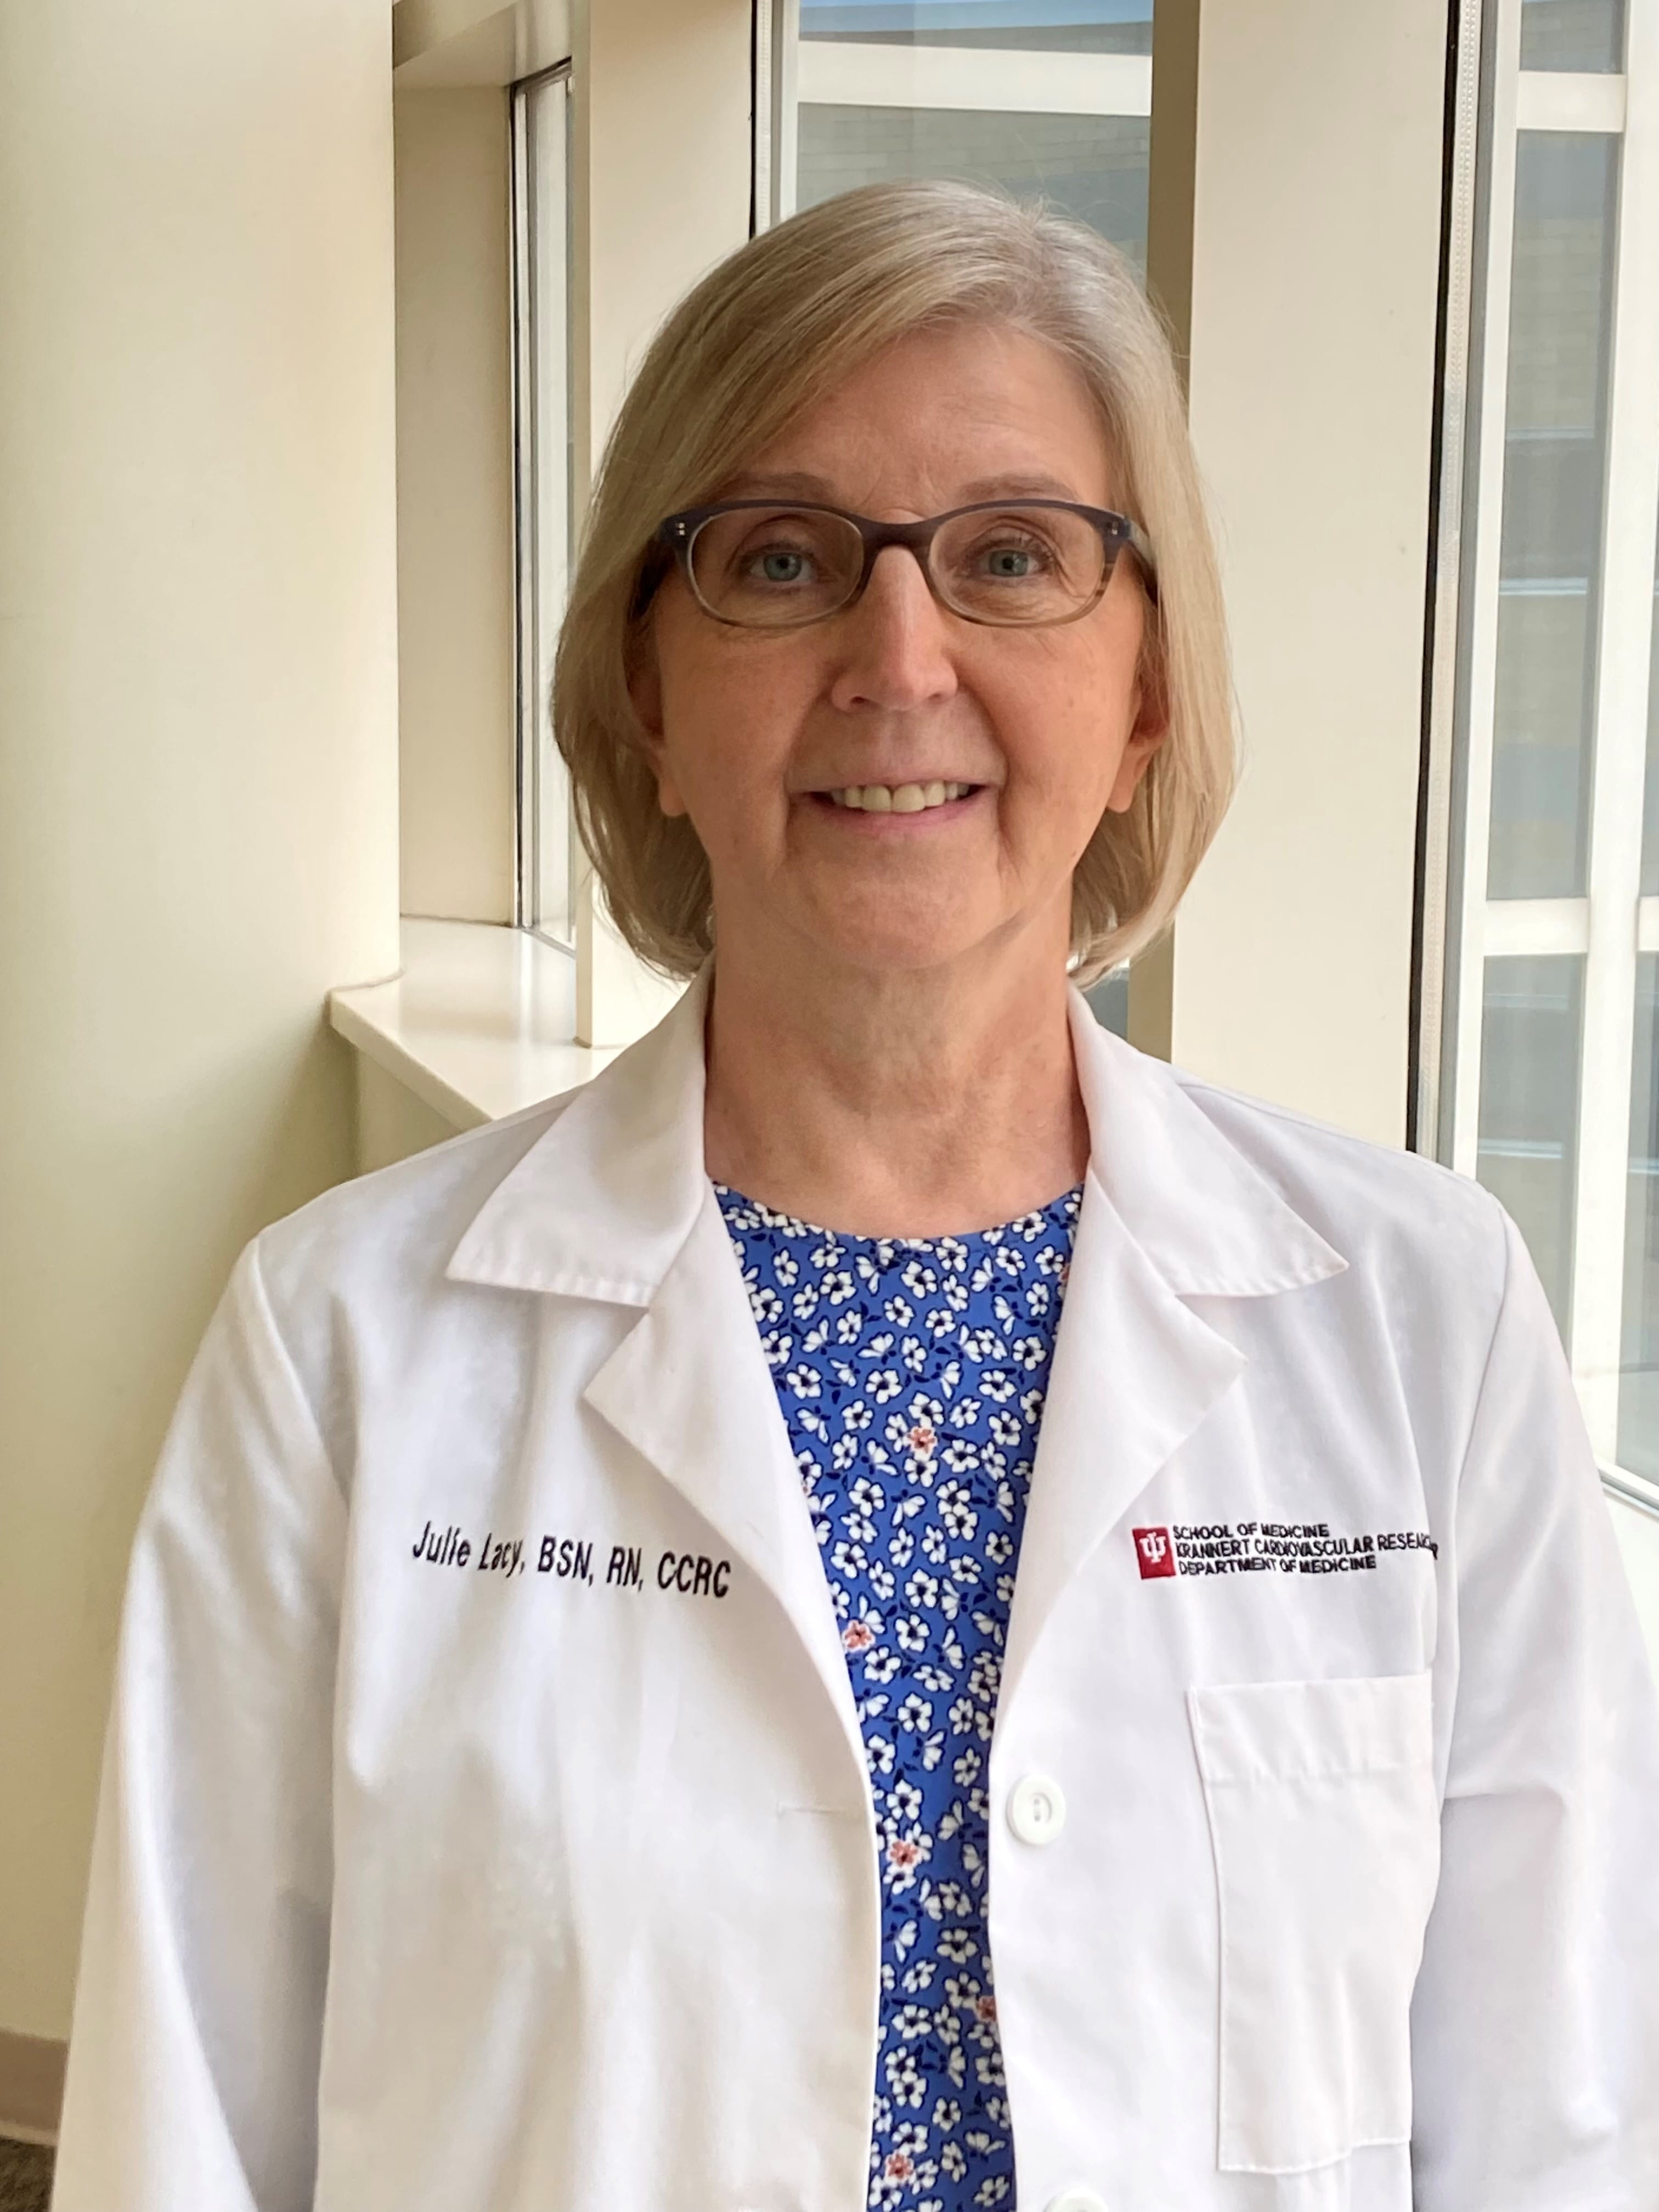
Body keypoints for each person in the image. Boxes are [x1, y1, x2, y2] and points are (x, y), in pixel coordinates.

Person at [53, 180, 1659, 2212]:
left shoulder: (1427, 1323)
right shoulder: (342, 1350)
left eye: (1013, 555)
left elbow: (1562, 2128)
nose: (900, 659)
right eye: (784, 560)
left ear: (1148, 691)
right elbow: (180, 2129)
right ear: (647, 697)